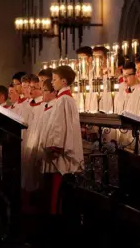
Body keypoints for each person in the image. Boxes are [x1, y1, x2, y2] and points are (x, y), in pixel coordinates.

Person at [42, 65, 84, 214]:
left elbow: (59, 126)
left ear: (64, 81)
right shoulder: (66, 99)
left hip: (61, 152)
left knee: (58, 189)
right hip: (62, 149)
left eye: (54, 79)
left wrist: (56, 147)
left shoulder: (63, 100)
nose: (52, 83)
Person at [75, 46, 94, 112]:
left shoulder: (97, 76)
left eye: (82, 59)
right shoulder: (77, 77)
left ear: (90, 59)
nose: (79, 62)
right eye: (78, 59)